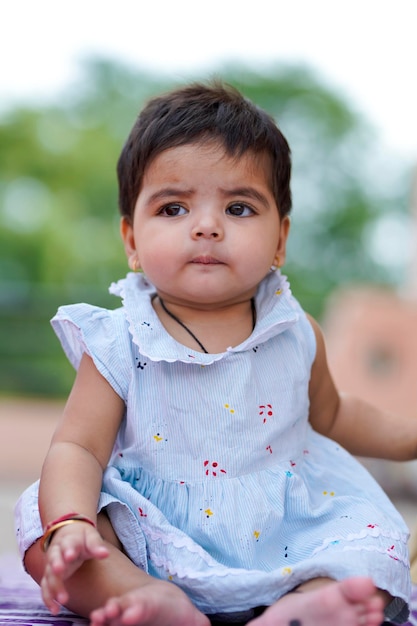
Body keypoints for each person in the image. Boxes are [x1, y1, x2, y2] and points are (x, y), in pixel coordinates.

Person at [15, 82, 413, 626]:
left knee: (371, 545)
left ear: (280, 239)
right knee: (45, 534)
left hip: (285, 531)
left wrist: (411, 437)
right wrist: (72, 521)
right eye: (174, 207)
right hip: (155, 535)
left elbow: (336, 413)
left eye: (240, 207)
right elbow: (79, 448)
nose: (207, 225)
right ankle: (150, 599)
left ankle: (302, 607)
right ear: (132, 239)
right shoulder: (120, 338)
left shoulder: (295, 332)